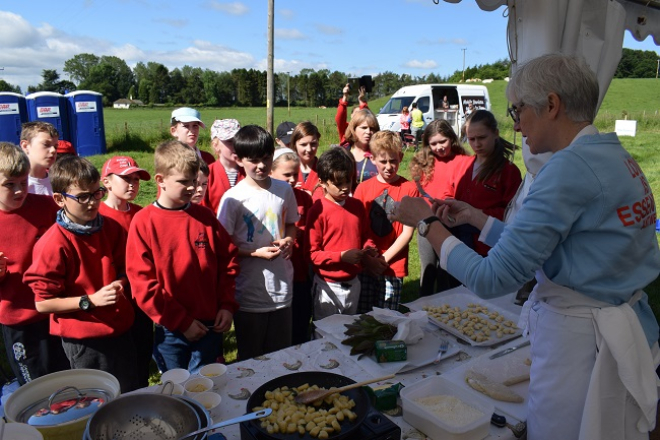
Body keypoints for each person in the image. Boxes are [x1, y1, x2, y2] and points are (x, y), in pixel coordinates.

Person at [389, 53, 660, 440]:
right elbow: (553, 246)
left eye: (518, 111)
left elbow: (492, 276)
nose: (516, 127)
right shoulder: (613, 155)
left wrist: (427, 223)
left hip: (582, 348)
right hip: (622, 322)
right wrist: (478, 220)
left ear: (551, 105)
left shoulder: (567, 169)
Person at [24, 156, 138, 392]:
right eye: (82, 197)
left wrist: (120, 282)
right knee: (99, 398)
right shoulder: (52, 244)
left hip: (121, 329)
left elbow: (125, 269)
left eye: (96, 193)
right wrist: (90, 301)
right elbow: (43, 304)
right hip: (86, 341)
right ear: (59, 199)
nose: (92, 202)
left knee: (130, 389)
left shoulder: (111, 228)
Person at [126, 140, 239, 374]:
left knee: (207, 387)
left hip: (210, 323)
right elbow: (143, 284)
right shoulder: (144, 222)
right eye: (183, 182)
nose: (191, 188)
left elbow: (228, 262)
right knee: (176, 391)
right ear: (160, 180)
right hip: (171, 329)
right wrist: (182, 322)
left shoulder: (205, 217)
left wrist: (227, 305)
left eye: (194, 181)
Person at [217, 126, 298, 360]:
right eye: (253, 160)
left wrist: (289, 240)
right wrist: (254, 254)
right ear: (239, 159)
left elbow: (292, 223)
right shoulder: (233, 198)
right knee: (251, 357)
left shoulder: (284, 190)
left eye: (266, 158)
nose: (261, 166)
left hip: (283, 290)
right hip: (249, 295)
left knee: (281, 356)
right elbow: (223, 246)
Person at [0, 142, 69, 385]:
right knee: (36, 386)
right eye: (9, 185)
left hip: (54, 309)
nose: (20, 190)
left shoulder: (44, 206)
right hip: (19, 319)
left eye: (23, 182)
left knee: (66, 376)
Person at [99, 155, 153, 387]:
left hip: (141, 297)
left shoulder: (142, 213)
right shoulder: (97, 216)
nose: (132, 184)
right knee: (119, 361)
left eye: (136, 179)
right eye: (125, 178)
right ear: (107, 182)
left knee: (142, 353)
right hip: (113, 298)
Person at [305, 148, 378, 320]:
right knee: (325, 335)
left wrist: (369, 248)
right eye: (338, 184)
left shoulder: (357, 206)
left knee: (348, 331)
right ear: (322, 182)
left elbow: (365, 234)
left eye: (348, 181)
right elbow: (311, 254)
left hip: (354, 282)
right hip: (327, 286)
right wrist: (341, 257)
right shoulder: (317, 211)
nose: (345, 187)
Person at [353, 131, 418, 313]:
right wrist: (367, 259)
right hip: (366, 264)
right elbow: (357, 229)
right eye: (383, 162)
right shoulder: (363, 189)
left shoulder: (409, 189)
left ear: (401, 158)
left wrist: (383, 260)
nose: (389, 167)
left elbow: (407, 233)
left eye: (393, 161)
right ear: (372, 158)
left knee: (388, 319)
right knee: (363, 317)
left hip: (392, 266)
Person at [448, 110, 522, 257]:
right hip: (460, 243)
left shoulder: (508, 171)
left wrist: (473, 214)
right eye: (471, 139)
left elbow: (513, 214)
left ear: (495, 133)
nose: (477, 144)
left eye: (482, 137)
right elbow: (452, 192)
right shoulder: (464, 164)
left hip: (489, 249)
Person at [410, 120, 469, 296]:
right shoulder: (423, 161)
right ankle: (422, 310)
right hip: (426, 223)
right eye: (433, 143)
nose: (439, 147)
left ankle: (444, 311)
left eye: (442, 141)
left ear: (451, 138)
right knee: (428, 268)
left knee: (447, 270)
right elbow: (417, 191)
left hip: (451, 225)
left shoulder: (464, 161)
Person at [269, 147, 314, 344]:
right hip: (275, 272)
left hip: (301, 272)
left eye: (295, 174)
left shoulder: (304, 198)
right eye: (286, 174)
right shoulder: (268, 197)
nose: (292, 179)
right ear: (271, 172)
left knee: (300, 321)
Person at [204, 119, 243, 214]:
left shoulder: (249, 171)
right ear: (216, 145)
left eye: (238, 140)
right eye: (230, 141)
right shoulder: (207, 174)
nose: (235, 145)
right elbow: (201, 209)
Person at [19, 121, 58, 195]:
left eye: (56, 147)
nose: (53, 150)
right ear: (25, 146)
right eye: (46, 144)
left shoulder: (58, 182)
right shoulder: (14, 185)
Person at [289, 121, 321, 197]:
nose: (309, 149)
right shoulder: (287, 170)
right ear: (294, 145)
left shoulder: (324, 169)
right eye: (303, 145)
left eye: (313, 144)